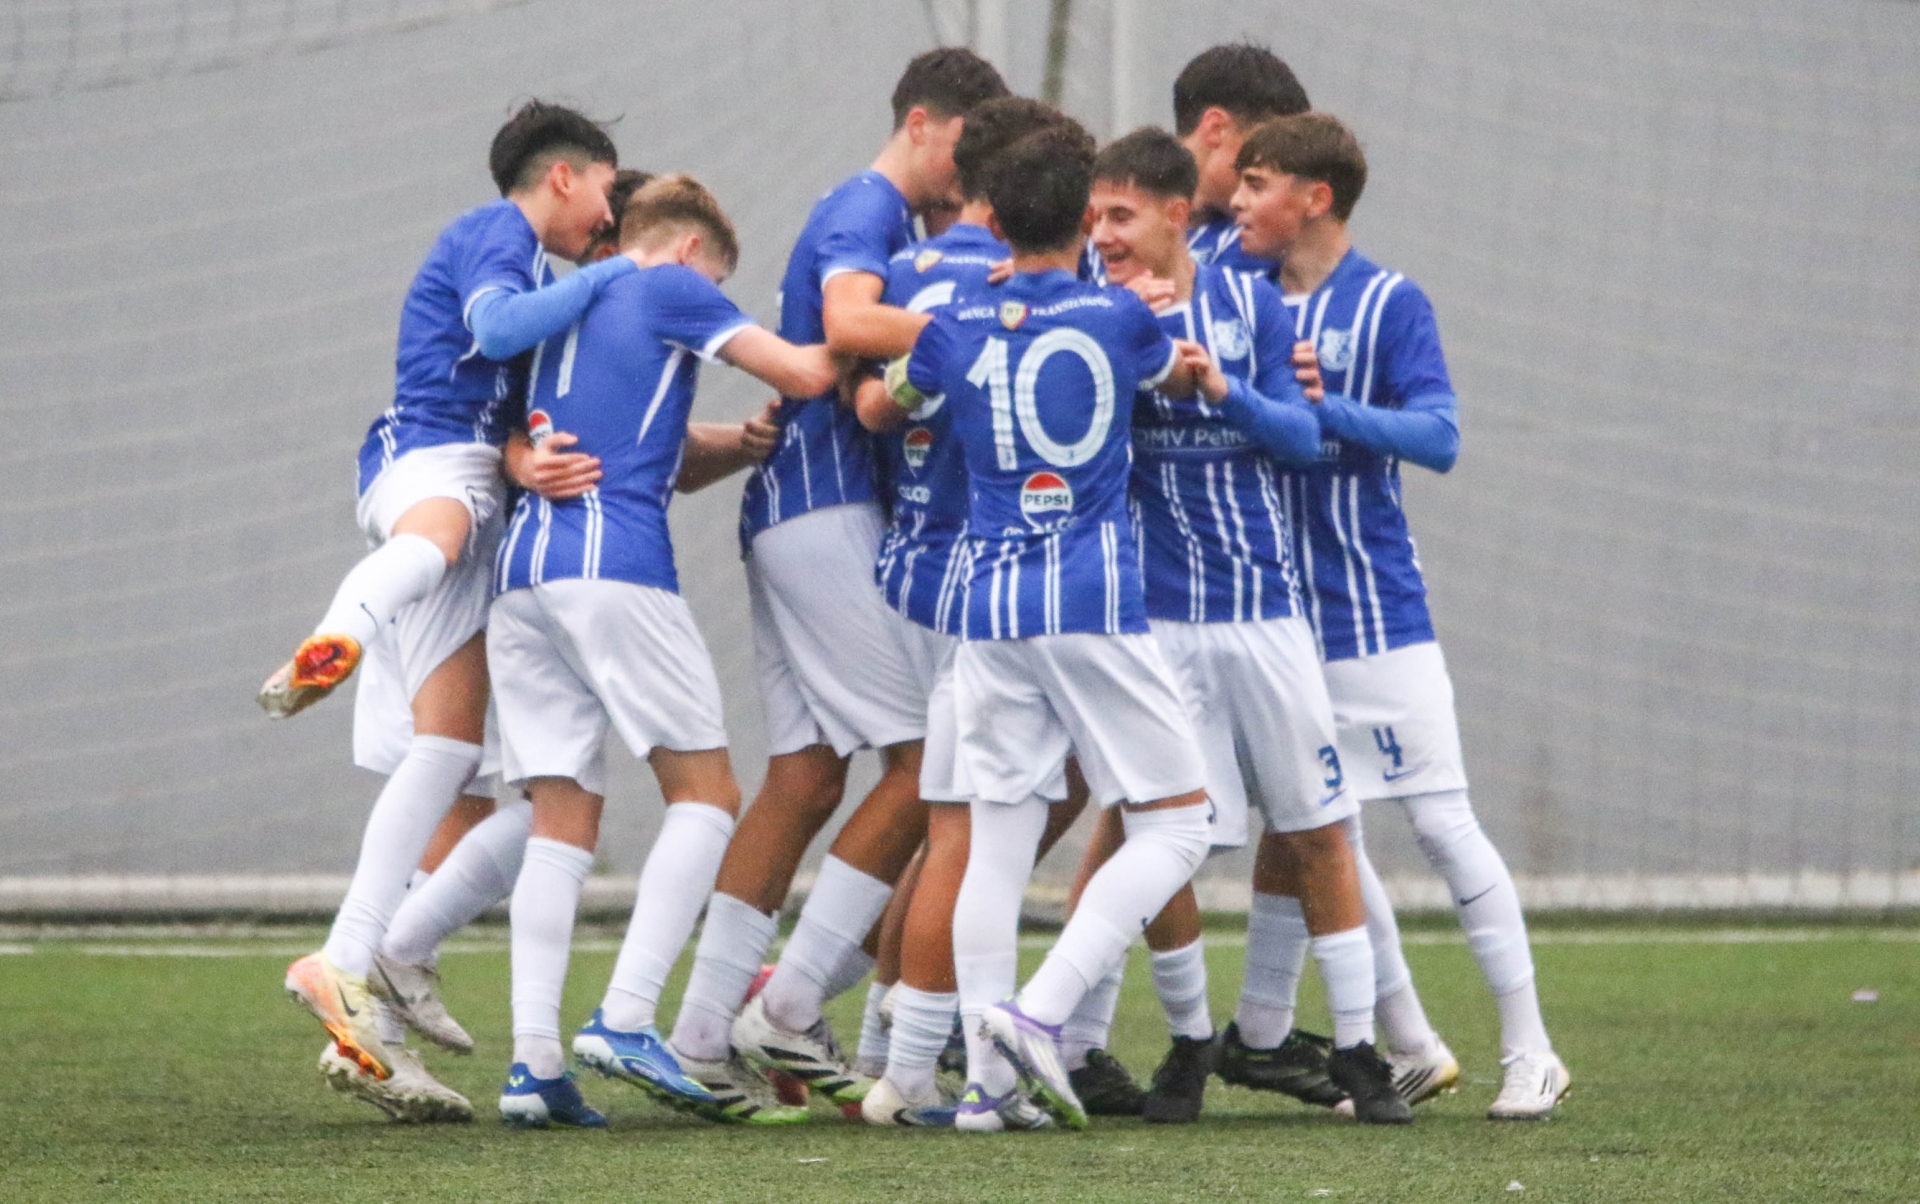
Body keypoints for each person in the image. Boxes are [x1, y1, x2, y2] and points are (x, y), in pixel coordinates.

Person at [670, 48, 1009, 1118]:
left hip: (789, 507)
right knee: (922, 766)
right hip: (824, 507)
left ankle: (699, 1033)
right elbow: (851, 321)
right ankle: (792, 999)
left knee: (808, 778)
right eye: (965, 146)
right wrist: (989, 329)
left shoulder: (880, 214)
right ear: (921, 122)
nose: (968, 173)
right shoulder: (867, 206)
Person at [272, 101, 636, 1082]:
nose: (607, 219)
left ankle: (353, 972)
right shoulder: (498, 234)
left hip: (474, 495)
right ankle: (340, 629)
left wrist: (528, 453)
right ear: (563, 175)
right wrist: (618, 274)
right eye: (605, 191)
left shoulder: (541, 273)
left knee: (448, 751)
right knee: (437, 540)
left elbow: (511, 396)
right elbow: (494, 325)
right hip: (434, 464)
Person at [1067, 127, 1412, 1125]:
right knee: (1164, 837)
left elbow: (1302, 437)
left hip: (1265, 613)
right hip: (1158, 625)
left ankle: (1358, 1050)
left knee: (1317, 829)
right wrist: (1128, 350)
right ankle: (1188, 1042)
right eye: (1093, 217)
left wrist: (1222, 385)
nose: (1104, 234)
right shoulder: (1094, 312)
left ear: (1177, 214)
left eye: (1121, 215)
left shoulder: (1249, 302)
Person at [1232, 111, 1571, 1119]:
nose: (1239, 202)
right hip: (1279, 623)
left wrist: (1326, 408)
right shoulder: (1240, 298)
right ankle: (1409, 1043)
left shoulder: (1390, 301)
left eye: (1258, 182)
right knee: (1320, 834)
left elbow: (1439, 435)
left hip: (1375, 612)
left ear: (1315, 198)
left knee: (1439, 820)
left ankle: (1532, 1049)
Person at [485, 175, 840, 1128]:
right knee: (708, 795)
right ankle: (629, 1016)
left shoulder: (571, 301)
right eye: (717, 278)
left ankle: (532, 1063)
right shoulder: (670, 283)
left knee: (561, 819)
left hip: (524, 573)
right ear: (689, 251)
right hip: (615, 568)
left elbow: (663, 453)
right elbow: (805, 373)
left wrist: (741, 444)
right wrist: (912, 327)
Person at [891, 120, 1221, 1134]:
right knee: (1180, 822)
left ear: (991, 219)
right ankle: (1039, 1012)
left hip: (989, 606)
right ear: (1084, 216)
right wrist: (1186, 356)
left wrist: (893, 383)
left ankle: (987, 1090)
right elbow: (1175, 372)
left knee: (996, 842)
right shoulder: (1119, 315)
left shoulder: (951, 323)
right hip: (1088, 598)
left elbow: (900, 395)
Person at [830, 95, 1074, 1127]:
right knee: (1003, 832)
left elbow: (873, 403)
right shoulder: (1079, 302)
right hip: (1039, 594)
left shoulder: (925, 286)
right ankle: (966, 1061)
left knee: (958, 828)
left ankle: (903, 1055)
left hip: (939, 571)